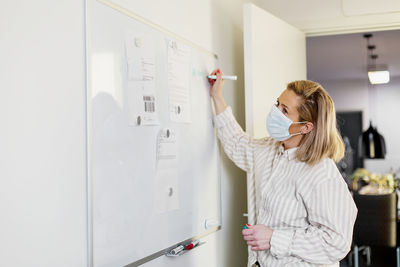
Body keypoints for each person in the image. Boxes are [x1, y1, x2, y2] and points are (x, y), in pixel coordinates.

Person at [208, 69, 357, 267]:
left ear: (306, 127)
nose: (275, 112)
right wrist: (216, 96)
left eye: (285, 110)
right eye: (277, 104)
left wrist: (274, 238)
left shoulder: (321, 173)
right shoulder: (270, 149)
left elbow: (336, 243)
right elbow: (237, 143)